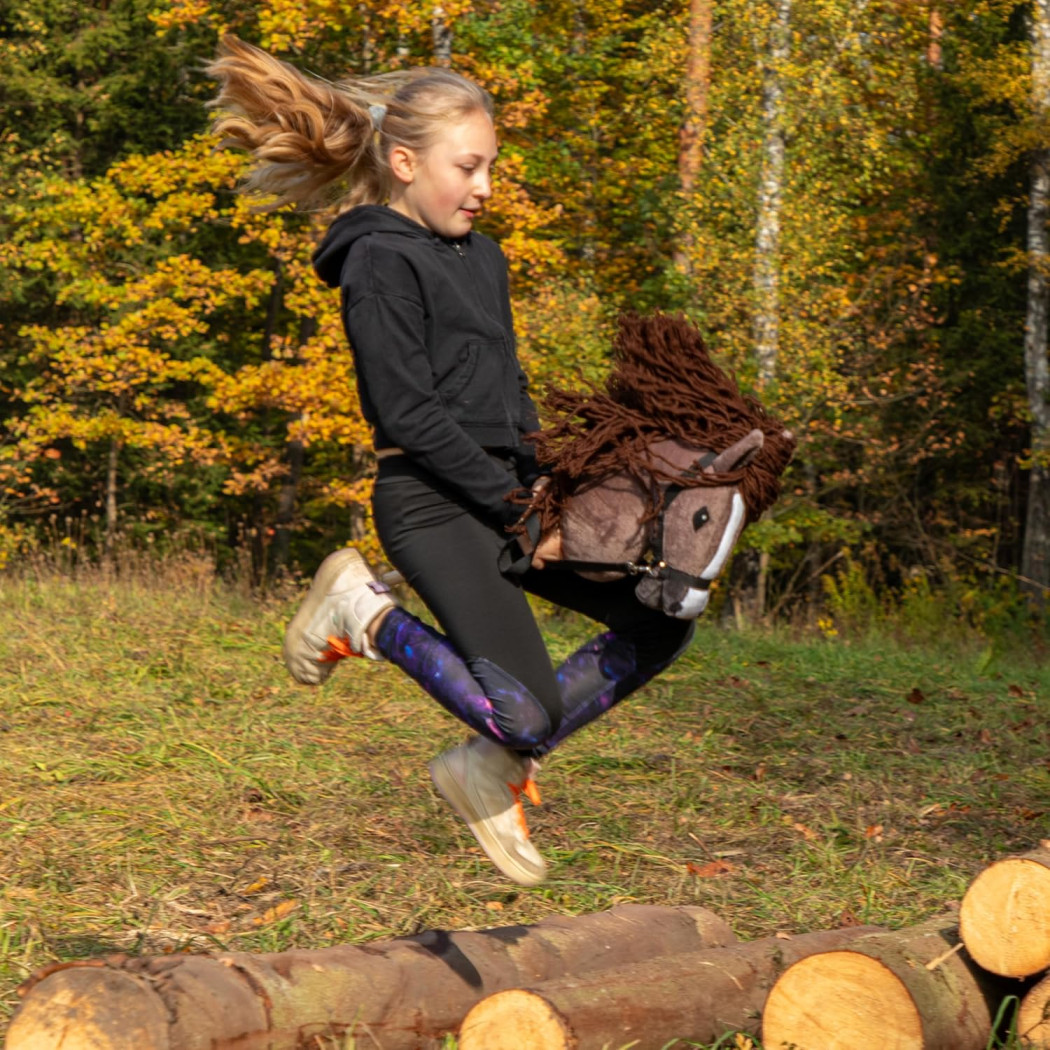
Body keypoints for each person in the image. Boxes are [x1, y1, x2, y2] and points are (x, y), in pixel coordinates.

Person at [207, 37, 695, 886]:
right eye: (468, 168)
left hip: (514, 498)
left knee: (664, 614)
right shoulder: (377, 260)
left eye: (491, 168)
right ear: (403, 162)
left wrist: (562, 487)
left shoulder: (485, 256)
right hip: (434, 507)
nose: (486, 188)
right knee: (524, 709)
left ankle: (492, 764)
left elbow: (508, 393)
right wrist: (523, 512)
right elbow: (410, 415)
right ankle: (361, 613)